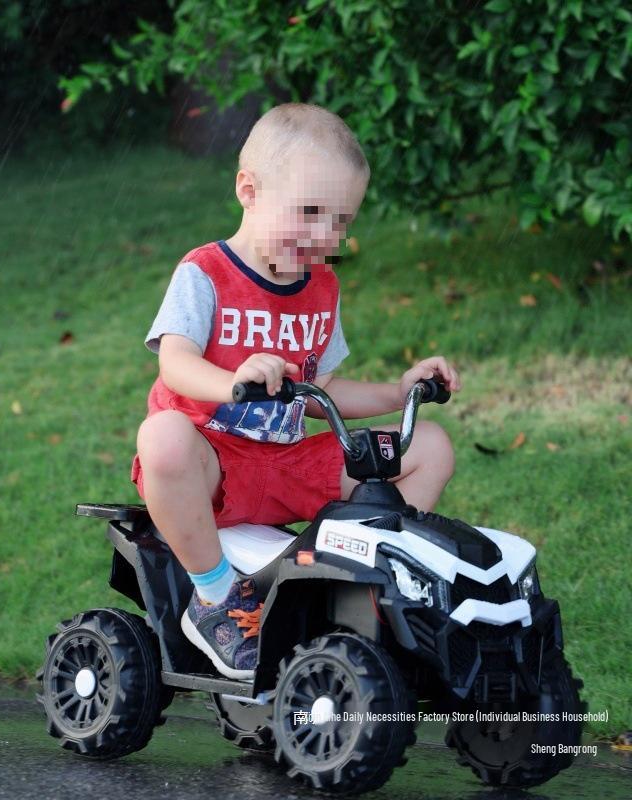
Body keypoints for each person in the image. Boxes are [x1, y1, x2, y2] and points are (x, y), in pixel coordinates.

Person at [130, 103, 461, 680]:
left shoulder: (322, 288)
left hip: (284, 466)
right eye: (309, 212)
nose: (324, 236)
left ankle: (362, 589)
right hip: (211, 465)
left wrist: (398, 389)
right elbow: (176, 366)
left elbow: (320, 392)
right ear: (249, 190)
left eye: (341, 222)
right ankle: (216, 599)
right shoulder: (204, 273)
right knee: (162, 437)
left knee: (429, 445)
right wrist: (234, 383)